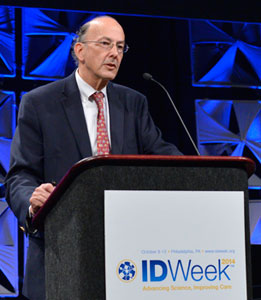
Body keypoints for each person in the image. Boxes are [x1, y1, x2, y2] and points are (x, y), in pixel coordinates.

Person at [5, 16, 182, 300]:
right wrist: (31, 201)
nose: (115, 53)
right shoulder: (40, 102)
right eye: (105, 44)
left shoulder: (133, 102)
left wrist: (201, 168)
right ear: (79, 51)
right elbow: (19, 175)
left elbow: (160, 154)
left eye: (121, 47)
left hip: (127, 256)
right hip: (61, 252)